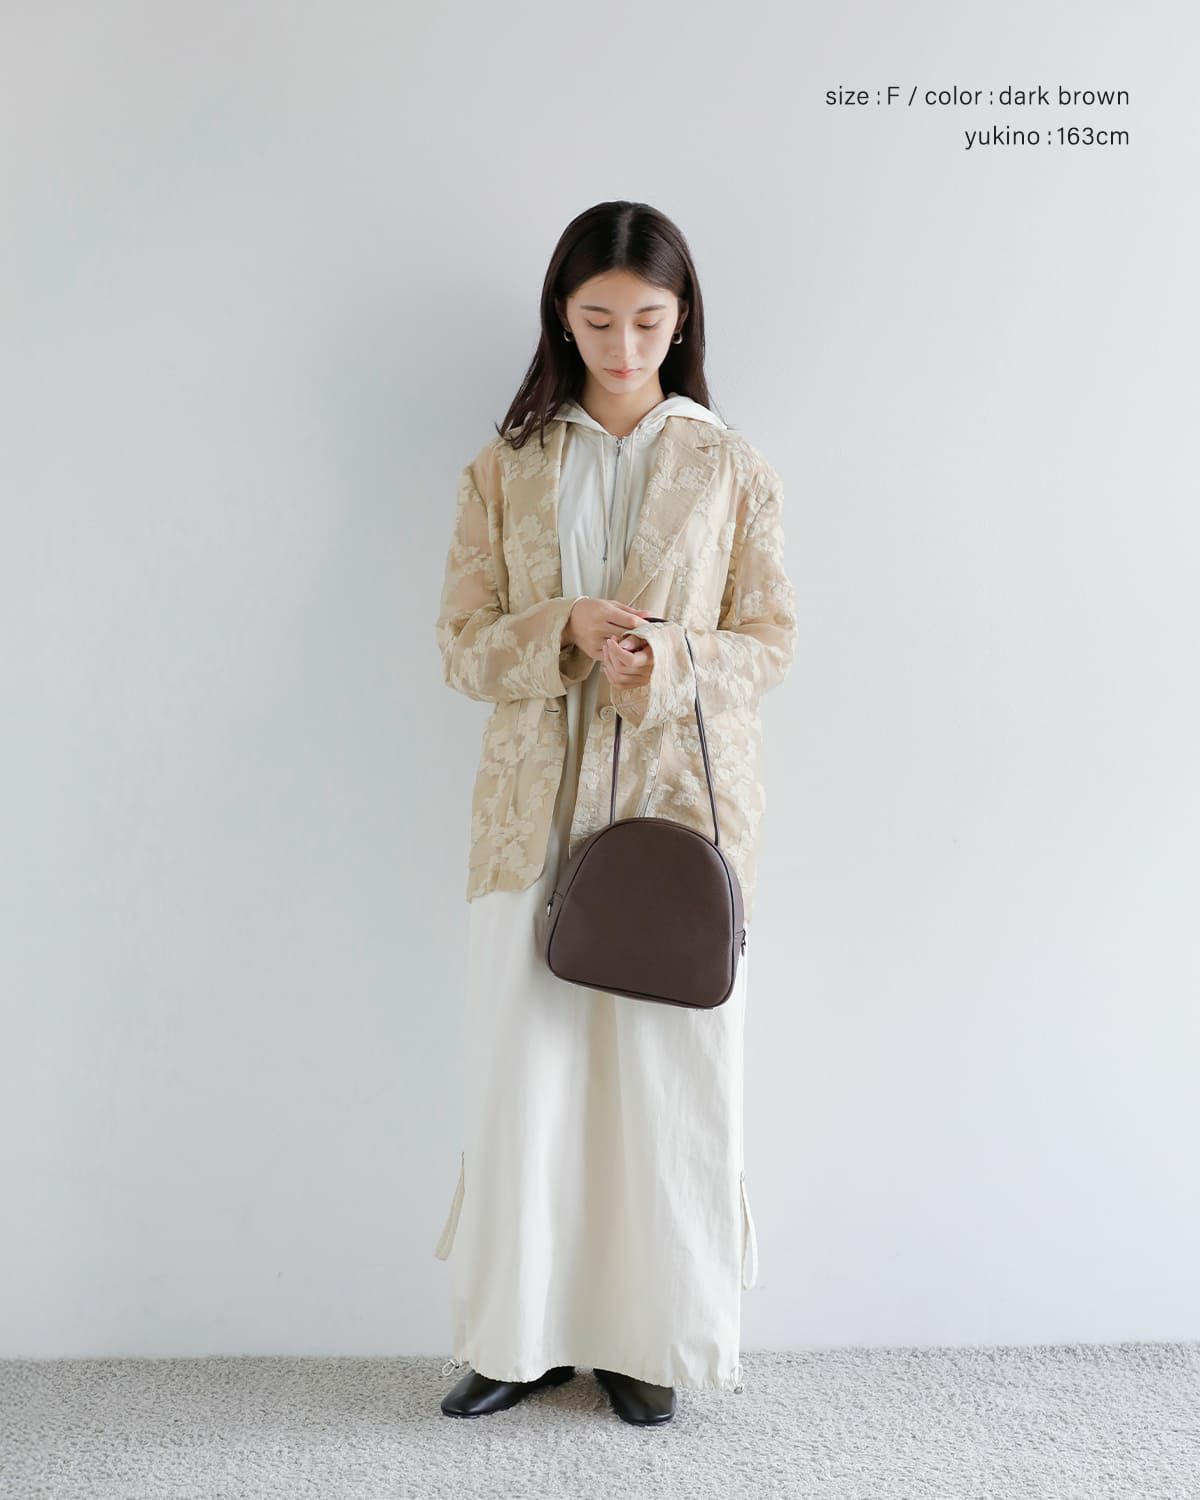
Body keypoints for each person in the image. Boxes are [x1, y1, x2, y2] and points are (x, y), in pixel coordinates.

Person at [432, 200, 797, 1426]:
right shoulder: (507, 469)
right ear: (561, 317)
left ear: (682, 320)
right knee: (524, 1075)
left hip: (675, 813)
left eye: (648, 320)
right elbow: (462, 646)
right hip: (528, 813)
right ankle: (519, 1339)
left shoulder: (732, 469)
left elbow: (772, 644)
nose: (624, 345)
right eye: (598, 320)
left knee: (663, 1082)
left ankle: (647, 1341)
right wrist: (562, 630)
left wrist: (670, 657)